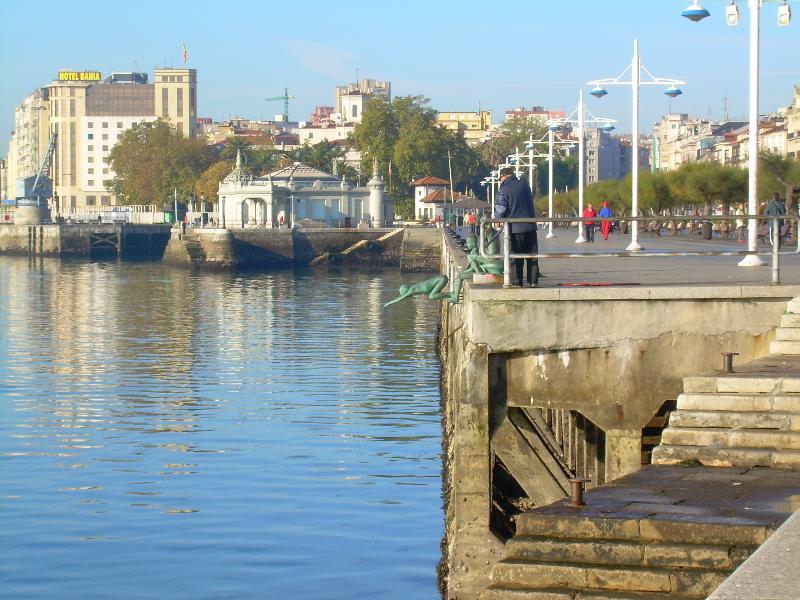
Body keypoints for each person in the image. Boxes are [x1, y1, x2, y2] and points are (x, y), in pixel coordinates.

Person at [494, 167, 538, 287]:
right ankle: (533, 281)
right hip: (531, 225)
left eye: (500, 179)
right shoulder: (525, 185)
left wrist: (497, 219)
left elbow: (500, 209)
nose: (500, 181)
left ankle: (517, 281)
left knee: (515, 255)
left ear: (504, 176)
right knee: (532, 256)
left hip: (515, 228)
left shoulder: (504, 189)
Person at [383, 274, 450, 309]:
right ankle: (452, 296)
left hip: (441, 279)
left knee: (431, 296)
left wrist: (389, 303)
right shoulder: (415, 288)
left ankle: (451, 295)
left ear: (406, 291)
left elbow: (400, 298)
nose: (409, 296)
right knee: (431, 295)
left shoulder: (412, 290)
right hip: (442, 278)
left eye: (407, 294)